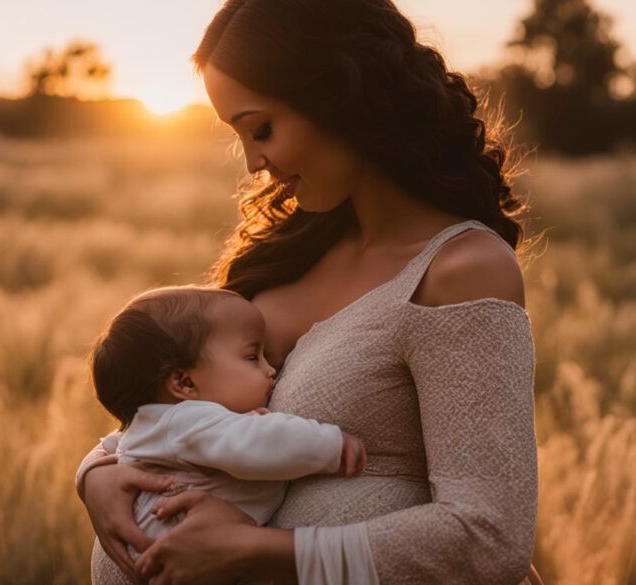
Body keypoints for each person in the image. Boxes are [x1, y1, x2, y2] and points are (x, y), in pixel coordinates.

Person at [77, 0, 545, 583]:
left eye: (262, 128)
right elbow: (175, 404)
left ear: (338, 95)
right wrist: (97, 473)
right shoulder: (288, 256)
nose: (253, 162)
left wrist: (257, 554)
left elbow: (489, 535)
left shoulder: (460, 269)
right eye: (239, 136)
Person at [79, 285, 368, 569]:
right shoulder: (187, 421)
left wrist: (85, 473)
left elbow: (109, 446)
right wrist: (329, 444)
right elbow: (257, 445)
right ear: (185, 383)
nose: (271, 370)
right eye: (252, 357)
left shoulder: (159, 424)